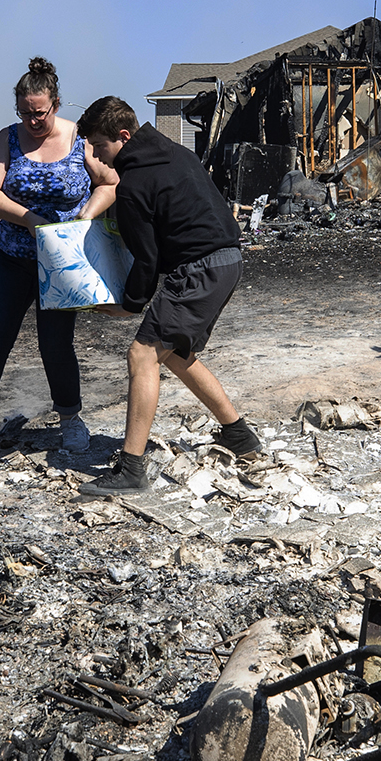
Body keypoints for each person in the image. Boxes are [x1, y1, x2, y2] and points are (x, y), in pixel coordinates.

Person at [71, 97, 260, 496]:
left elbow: (147, 258)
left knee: (141, 354)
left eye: (100, 146)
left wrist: (129, 305)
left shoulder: (134, 183)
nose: (96, 155)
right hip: (227, 261)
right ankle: (239, 436)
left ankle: (131, 470)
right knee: (171, 350)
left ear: (123, 137)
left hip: (199, 268)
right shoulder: (173, 152)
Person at [0, 57, 118, 453]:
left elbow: (110, 183)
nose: (33, 121)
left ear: (57, 103)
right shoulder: (8, 139)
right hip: (13, 258)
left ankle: (70, 419)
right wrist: (31, 220)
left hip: (61, 264)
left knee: (56, 344)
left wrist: (85, 216)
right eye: (25, 113)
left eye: (40, 113)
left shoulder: (78, 139)